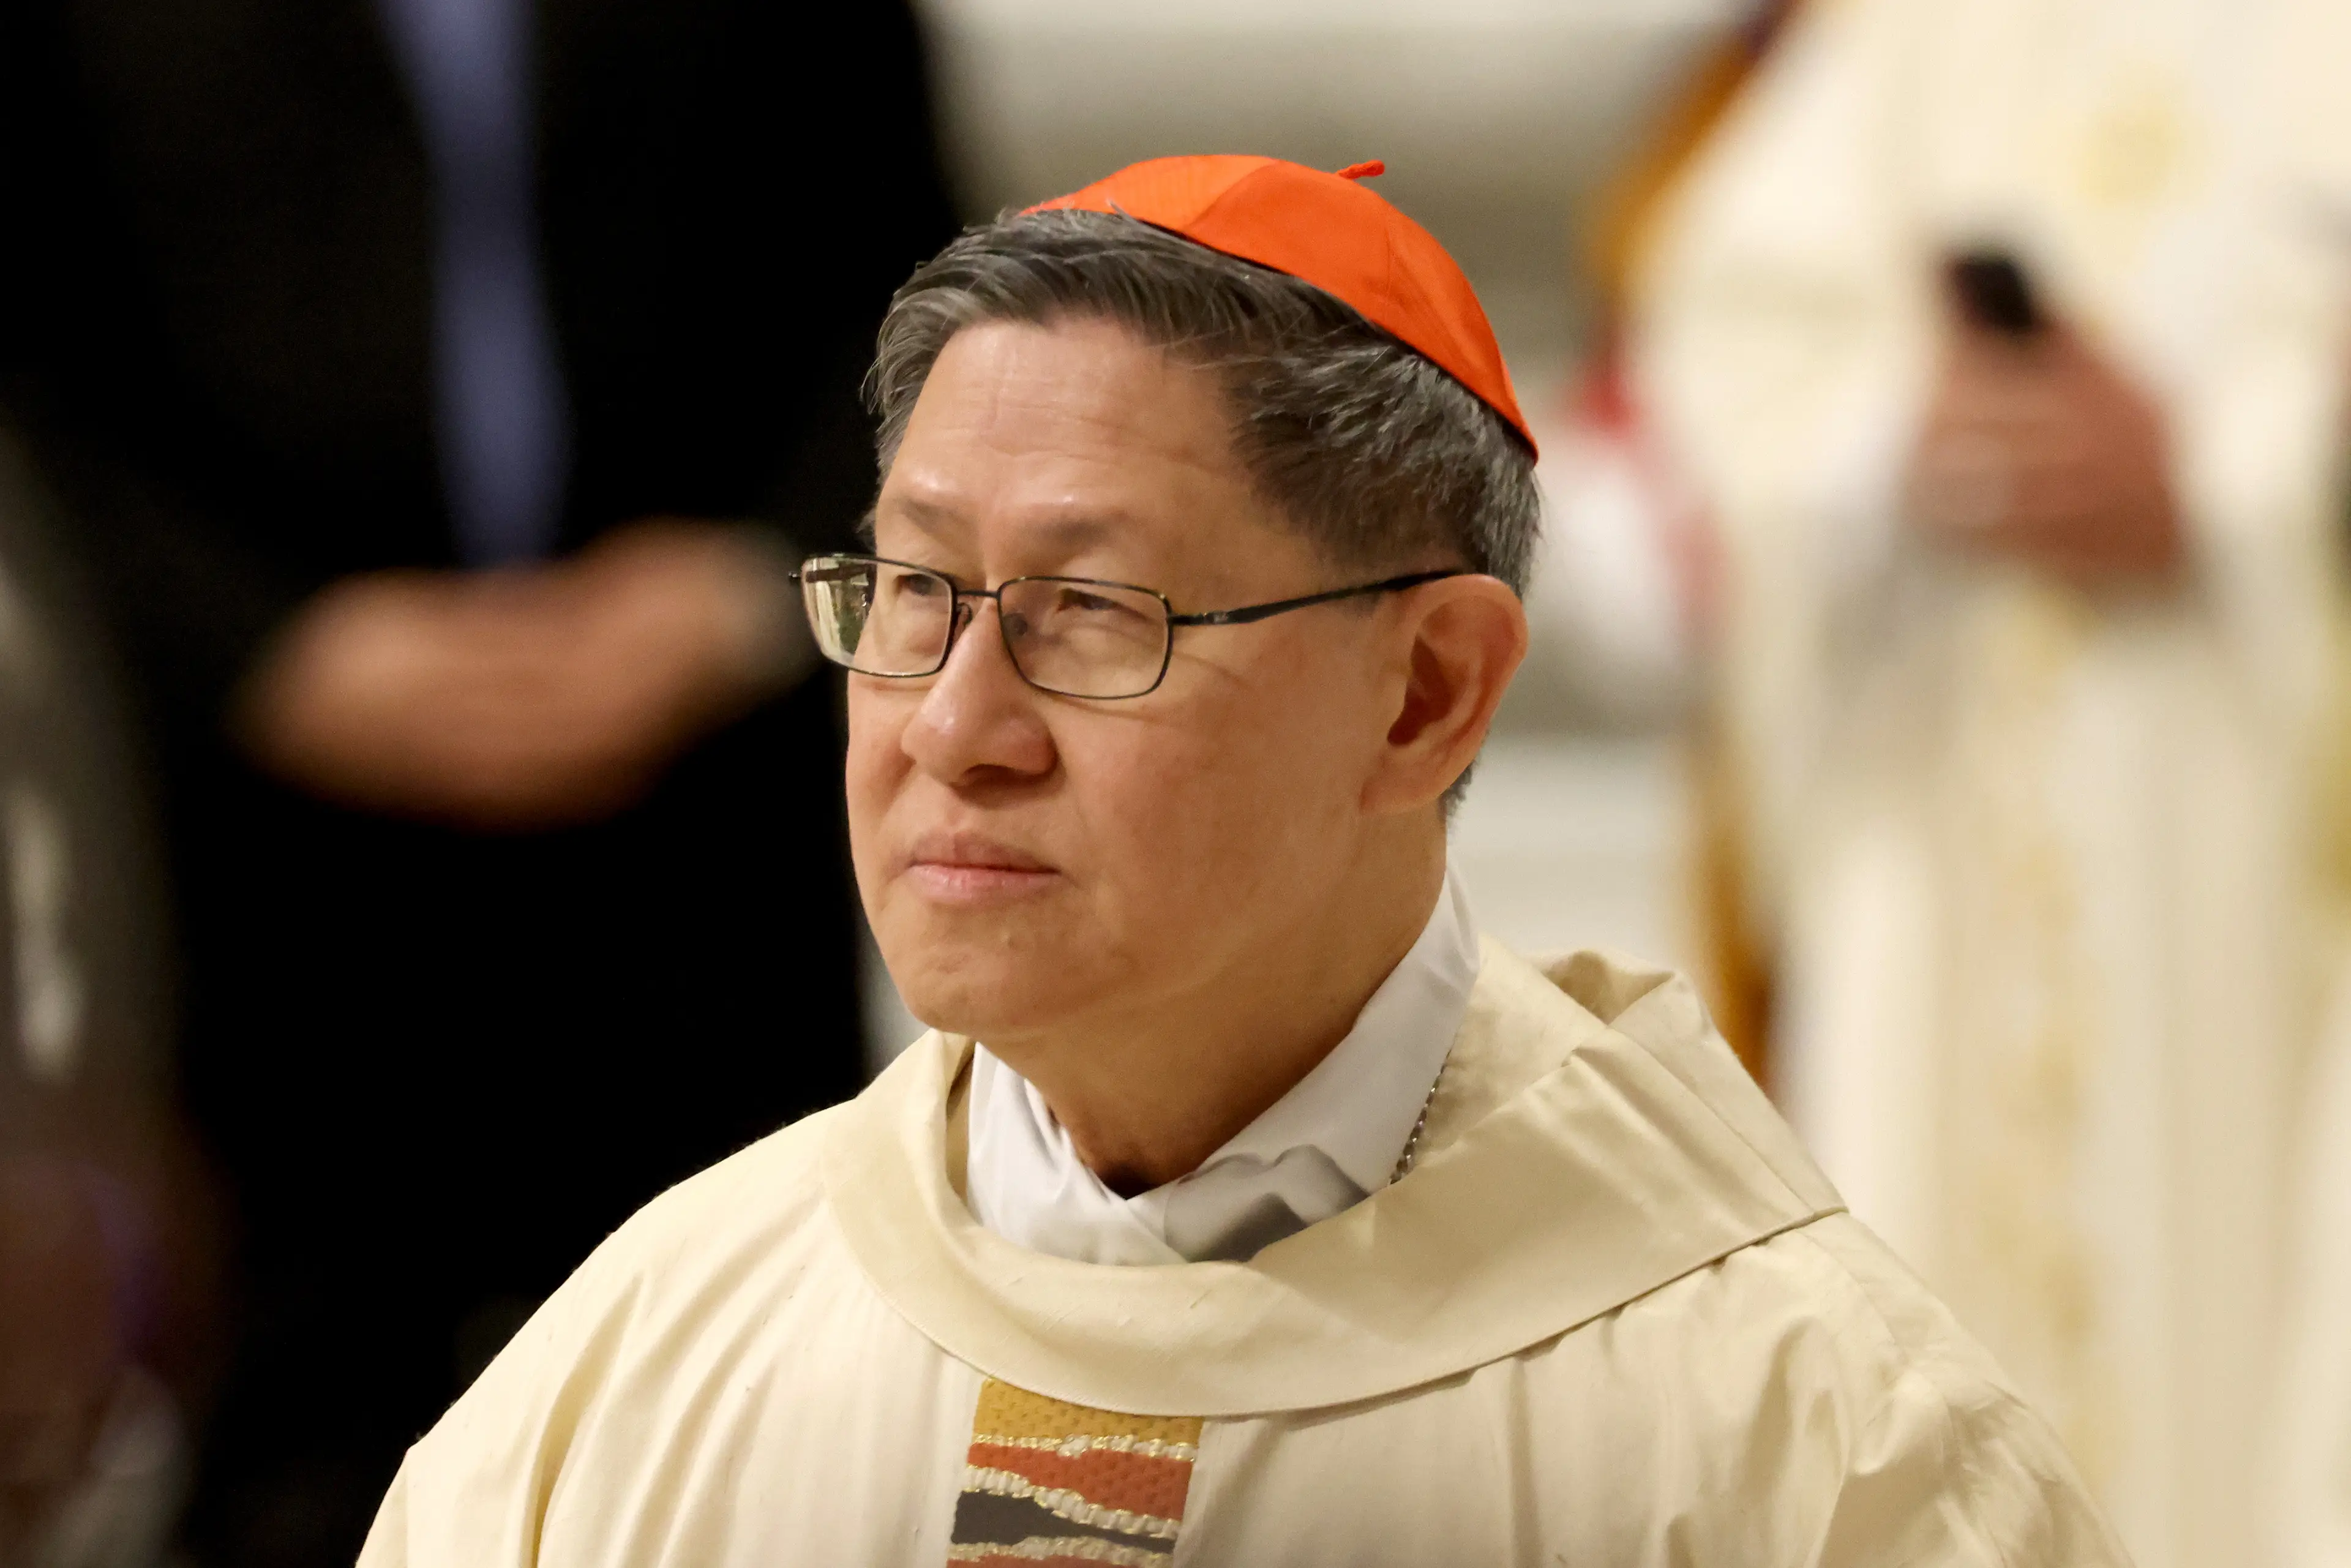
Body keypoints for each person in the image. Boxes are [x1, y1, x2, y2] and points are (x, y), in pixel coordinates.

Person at [353, 154, 2124, 1566]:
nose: (957, 725)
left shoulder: (1813, 1450)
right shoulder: (643, 1361)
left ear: (1426, 694)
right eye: (913, 593)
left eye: (1094, 610)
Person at [0, 2, 956, 1562]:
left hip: (694, 828)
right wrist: (267, 651)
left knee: (735, 1434)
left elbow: (917, 292)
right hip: (249, 862)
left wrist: (742, 591)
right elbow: (37, 378)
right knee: (283, 1458)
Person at [1632, 0, 2351, 1561]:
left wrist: (2230, 479)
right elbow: (1734, 331)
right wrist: (1906, 436)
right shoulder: (1922, 29)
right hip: (1946, 776)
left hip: (2251, 822)